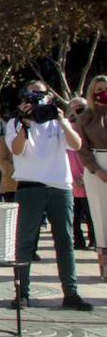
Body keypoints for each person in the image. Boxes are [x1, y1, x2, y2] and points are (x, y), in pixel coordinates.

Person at [6, 81, 93, 311]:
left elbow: (76, 144)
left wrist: (62, 120)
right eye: (33, 93)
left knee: (65, 240)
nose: (37, 97)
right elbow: (16, 149)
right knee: (24, 241)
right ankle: (21, 293)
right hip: (30, 185)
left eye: (42, 93)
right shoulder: (15, 122)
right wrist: (24, 124)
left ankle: (71, 292)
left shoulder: (56, 123)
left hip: (59, 185)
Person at [72, 75, 107, 280]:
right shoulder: (85, 117)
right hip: (97, 166)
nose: (102, 92)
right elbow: (81, 148)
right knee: (101, 218)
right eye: (99, 88)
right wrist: (95, 169)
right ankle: (104, 267)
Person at [67, 97, 95, 250]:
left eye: (83, 107)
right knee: (74, 216)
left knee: (92, 215)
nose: (80, 111)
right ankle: (78, 241)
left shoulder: (93, 127)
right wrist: (72, 178)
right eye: (77, 108)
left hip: (90, 178)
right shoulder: (68, 129)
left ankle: (95, 240)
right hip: (72, 182)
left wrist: (86, 176)